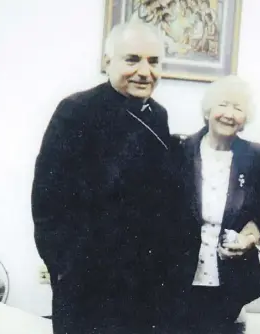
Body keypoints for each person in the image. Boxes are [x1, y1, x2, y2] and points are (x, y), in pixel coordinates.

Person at [32, 22, 180, 334]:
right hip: (88, 286)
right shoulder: (76, 111)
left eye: (154, 62)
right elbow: (46, 201)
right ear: (107, 61)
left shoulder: (159, 115)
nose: (144, 71)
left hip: (144, 288)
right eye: (132, 59)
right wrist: (66, 268)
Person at [174, 75, 260, 333]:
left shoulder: (258, 157)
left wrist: (249, 238)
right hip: (178, 278)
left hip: (230, 281)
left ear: (246, 117)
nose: (229, 114)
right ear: (208, 111)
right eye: (223, 105)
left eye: (238, 108)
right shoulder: (179, 150)